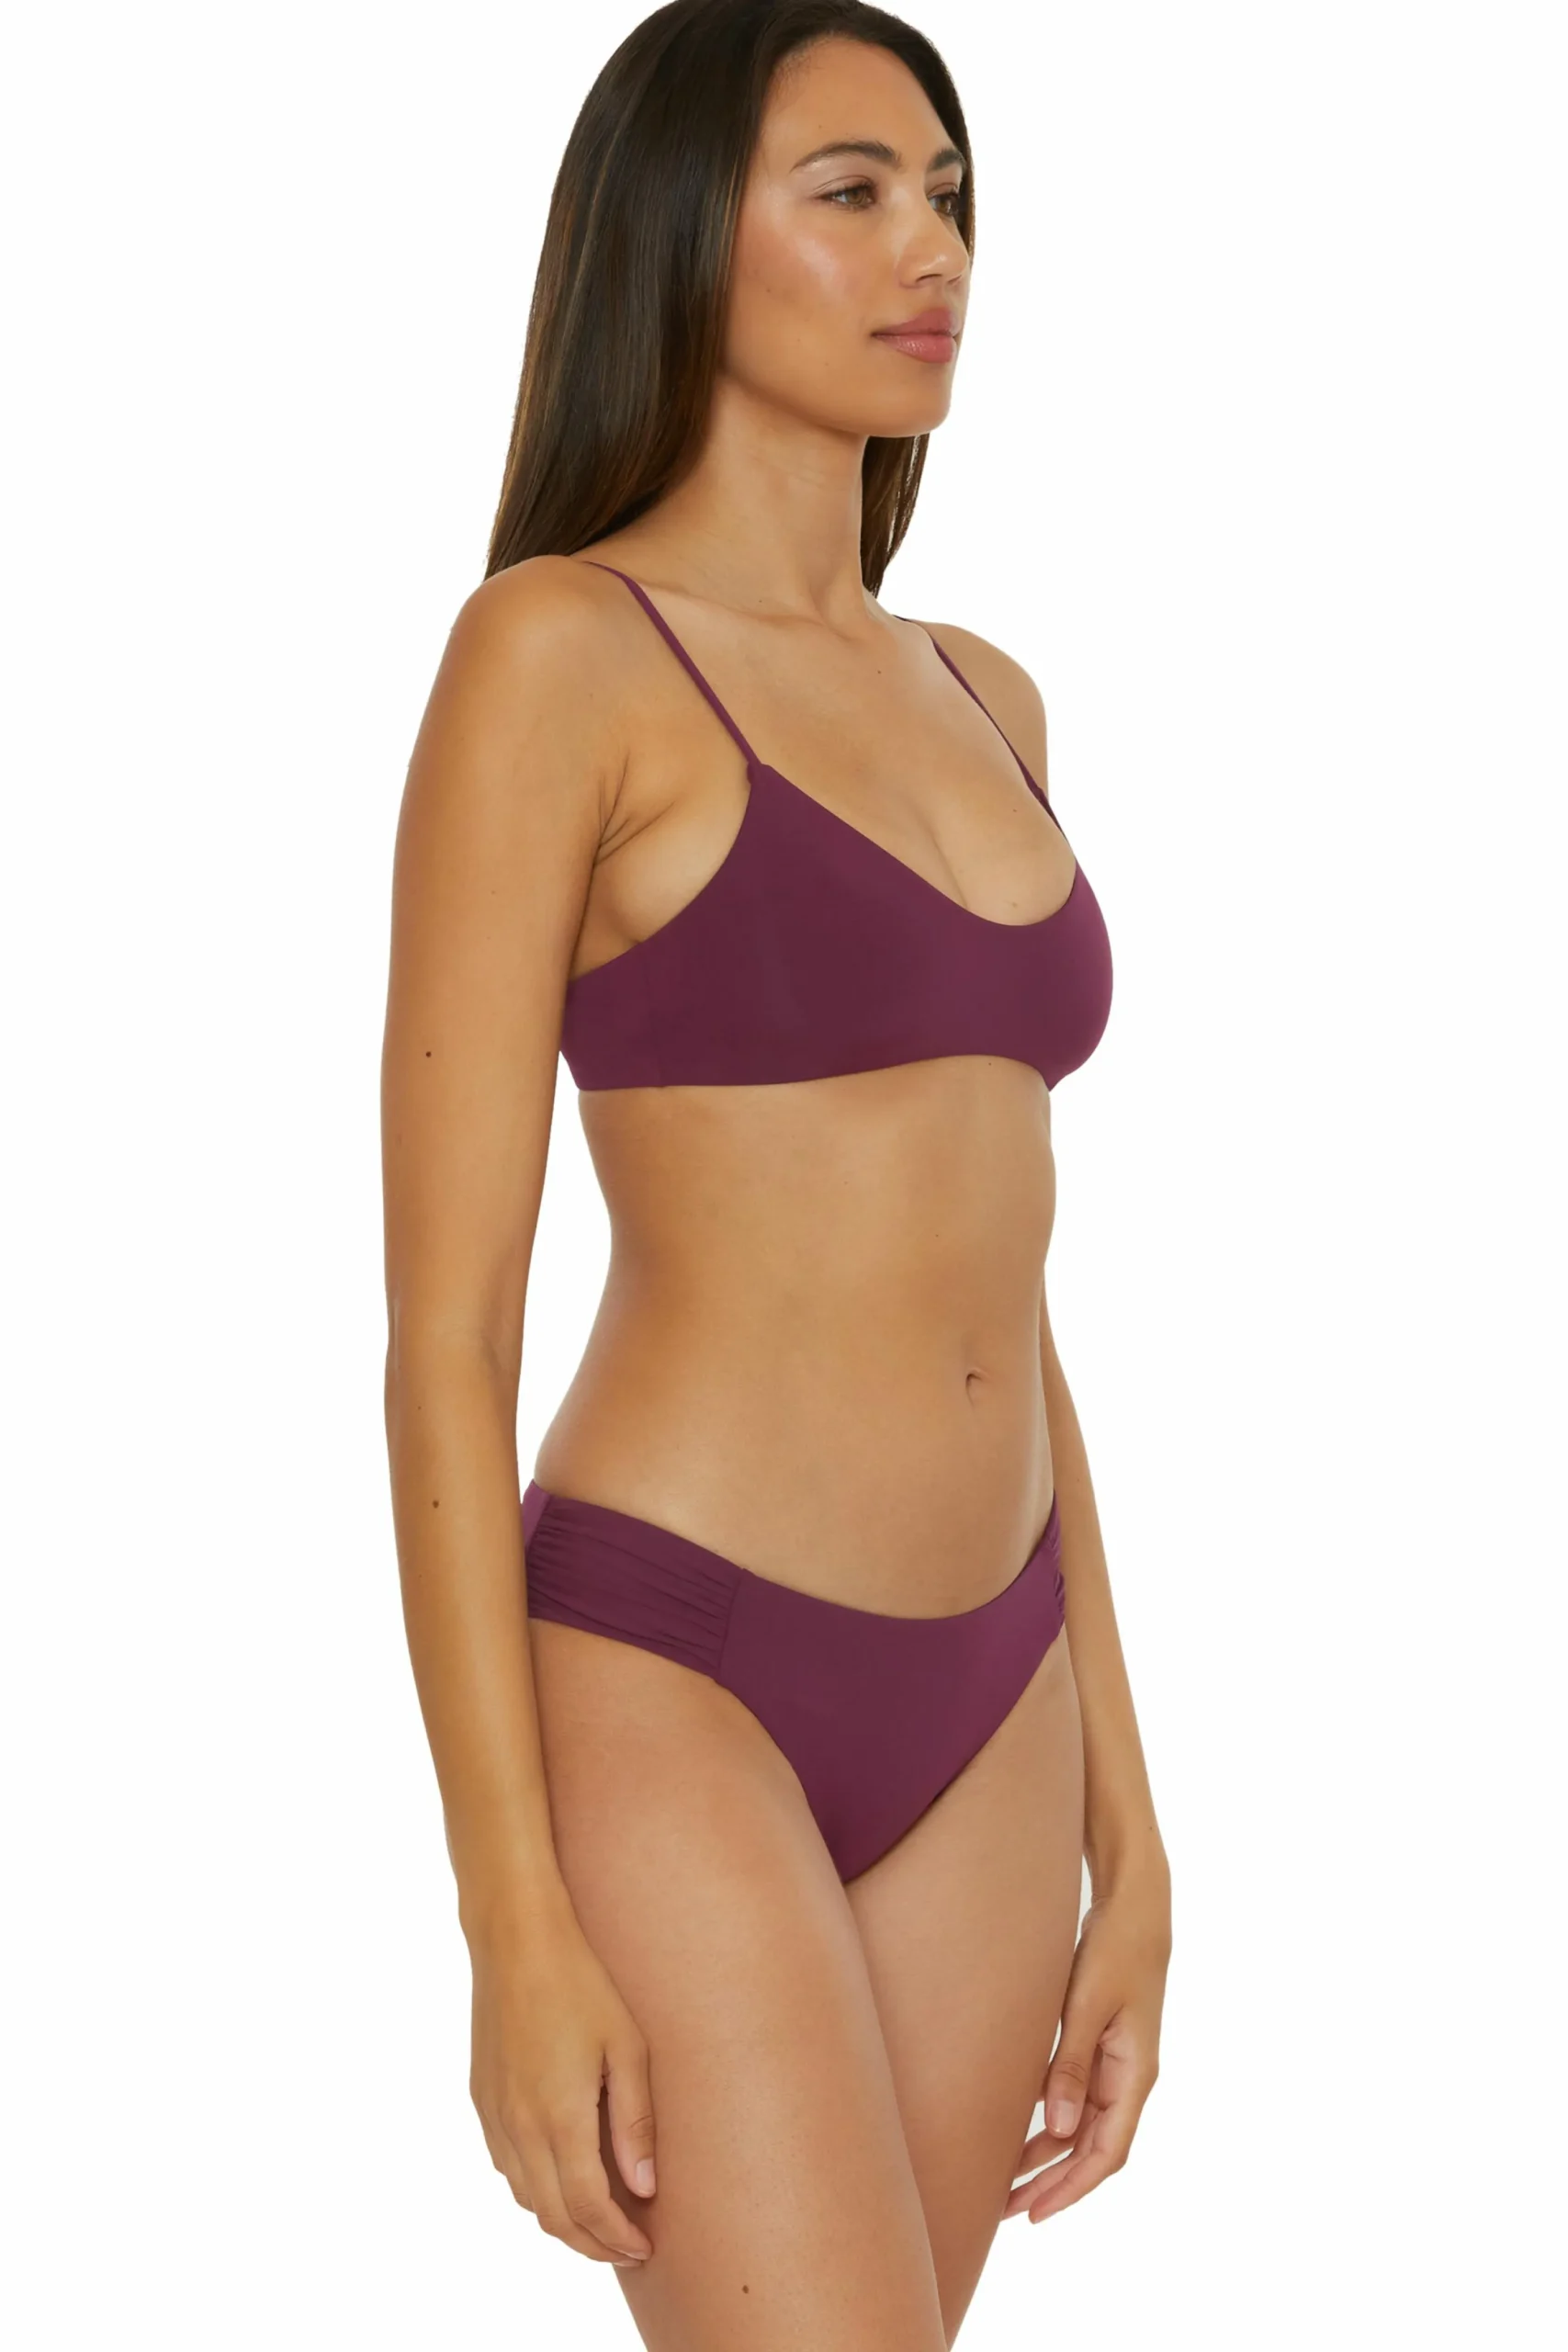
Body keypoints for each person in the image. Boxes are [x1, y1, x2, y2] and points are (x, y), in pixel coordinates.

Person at [380, 3, 1171, 2344]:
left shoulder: (985, 696)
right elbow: (444, 1341)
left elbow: (1006, 1291)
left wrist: (1134, 1822)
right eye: (850, 191)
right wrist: (509, 1917)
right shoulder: (559, 657)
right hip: (681, 1663)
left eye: (949, 195)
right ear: (676, 240)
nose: (933, 249)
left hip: (998, 1683)